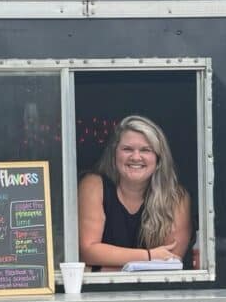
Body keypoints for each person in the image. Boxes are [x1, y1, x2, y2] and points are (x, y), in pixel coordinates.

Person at [78, 115, 192, 272]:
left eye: (146, 150)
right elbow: (87, 251)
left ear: (158, 159)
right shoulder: (93, 185)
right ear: (114, 154)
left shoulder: (176, 197)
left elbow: (170, 262)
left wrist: (103, 265)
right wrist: (150, 256)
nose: (136, 157)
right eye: (127, 149)